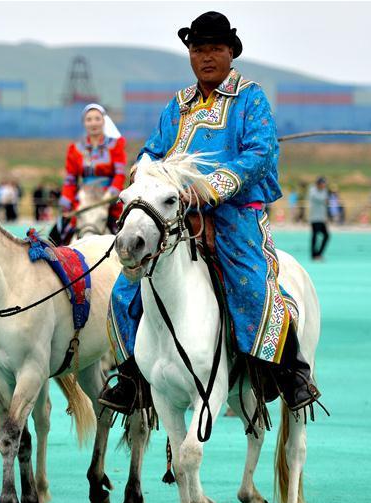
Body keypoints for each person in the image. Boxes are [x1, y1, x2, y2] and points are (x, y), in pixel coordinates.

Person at [100, 11, 321, 415]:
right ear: (190, 55)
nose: (206, 56)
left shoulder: (250, 98)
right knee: (126, 287)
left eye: (215, 49)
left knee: (254, 285)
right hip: (176, 212)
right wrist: (148, 174)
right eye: (198, 49)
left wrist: (207, 188)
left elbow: (259, 154)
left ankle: (289, 371)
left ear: (231, 53)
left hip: (235, 214)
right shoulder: (177, 106)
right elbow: (151, 149)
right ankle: (132, 374)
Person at [52, 103, 127, 243]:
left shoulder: (116, 145)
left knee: (123, 230)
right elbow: (70, 180)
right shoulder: (75, 149)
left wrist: (111, 193)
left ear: (104, 121)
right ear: (84, 123)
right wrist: (66, 200)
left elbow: (120, 173)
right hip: (84, 197)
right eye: (89, 119)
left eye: (97, 119)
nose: (93, 123)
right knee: (60, 229)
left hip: (108, 197)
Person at [308, 177, 330, 260]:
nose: (324, 185)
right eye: (323, 183)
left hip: (322, 217)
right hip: (314, 218)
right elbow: (321, 199)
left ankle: (318, 253)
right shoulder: (313, 191)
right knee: (315, 236)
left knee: (326, 236)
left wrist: (326, 217)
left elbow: (326, 203)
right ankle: (314, 254)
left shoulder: (324, 191)